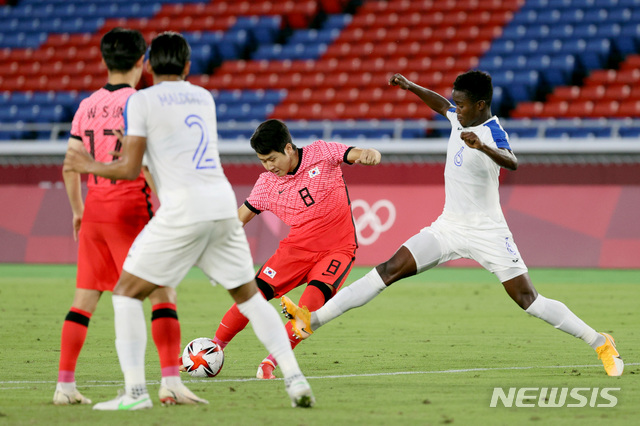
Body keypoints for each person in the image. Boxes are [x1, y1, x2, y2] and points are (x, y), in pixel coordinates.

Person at [282, 71, 624, 377]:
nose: (455, 110)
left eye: (461, 105)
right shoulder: (458, 117)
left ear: (480, 104)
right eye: (455, 104)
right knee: (388, 269)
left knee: (528, 300)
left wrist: (483, 148)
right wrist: (411, 86)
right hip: (448, 227)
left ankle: (600, 341)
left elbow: (513, 162)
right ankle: (313, 320)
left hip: (487, 231)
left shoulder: (492, 131)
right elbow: (440, 104)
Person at [63, 31, 314, 410]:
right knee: (248, 296)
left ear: (148, 65)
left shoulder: (141, 101)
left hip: (182, 209)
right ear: (187, 65)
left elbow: (130, 167)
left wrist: (88, 165)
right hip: (219, 203)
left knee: (126, 293)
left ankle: (134, 394)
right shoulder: (203, 97)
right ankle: (295, 380)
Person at [54, 27, 177, 406]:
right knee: (161, 292)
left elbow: (69, 166)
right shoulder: (141, 103)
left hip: (94, 209)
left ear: (105, 61)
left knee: (84, 300)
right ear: (143, 62)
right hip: (130, 207)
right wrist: (170, 203)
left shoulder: (86, 105)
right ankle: (170, 382)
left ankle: (64, 386)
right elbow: (149, 164)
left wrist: (78, 211)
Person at [210, 119, 381, 379]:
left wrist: (371, 154)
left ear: (288, 149)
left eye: (271, 159)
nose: (268, 166)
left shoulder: (322, 153)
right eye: (262, 161)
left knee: (309, 305)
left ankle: (272, 361)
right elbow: (240, 218)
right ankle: (211, 350)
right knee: (251, 297)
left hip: (337, 250)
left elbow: (355, 153)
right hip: (296, 250)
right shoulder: (266, 184)